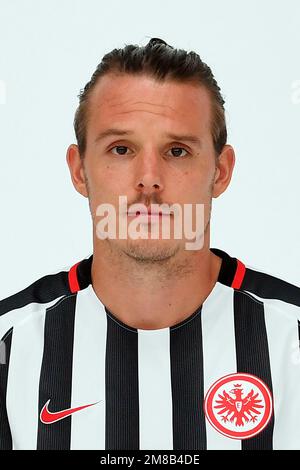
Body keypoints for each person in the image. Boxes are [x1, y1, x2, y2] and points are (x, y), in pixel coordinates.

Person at [0, 38, 299, 451]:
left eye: (177, 151)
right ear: (80, 171)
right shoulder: (8, 347)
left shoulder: (291, 340)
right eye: (121, 149)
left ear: (220, 171)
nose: (149, 179)